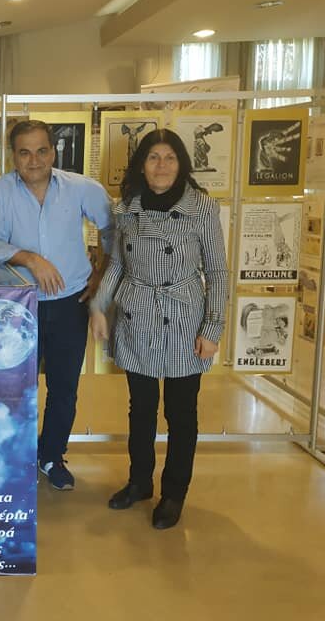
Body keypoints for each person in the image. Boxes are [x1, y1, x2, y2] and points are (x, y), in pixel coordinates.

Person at [90, 128, 227, 530]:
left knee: (181, 412)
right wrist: (99, 306)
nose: (162, 165)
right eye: (153, 157)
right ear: (141, 165)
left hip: (184, 317)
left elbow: (217, 271)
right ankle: (139, 482)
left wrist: (213, 327)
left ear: (181, 164)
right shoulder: (126, 208)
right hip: (138, 315)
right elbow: (118, 263)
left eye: (170, 157)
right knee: (141, 409)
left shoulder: (202, 208)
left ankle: (174, 493)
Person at [0, 119, 114, 490]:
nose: (34, 160)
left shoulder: (81, 188)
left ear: (53, 152)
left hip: (71, 303)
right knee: (13, 389)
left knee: (63, 389)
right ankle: (12, 461)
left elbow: (113, 230)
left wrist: (101, 273)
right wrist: (31, 258)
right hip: (17, 306)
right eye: (24, 153)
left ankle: (51, 456)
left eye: (42, 151)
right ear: (13, 156)